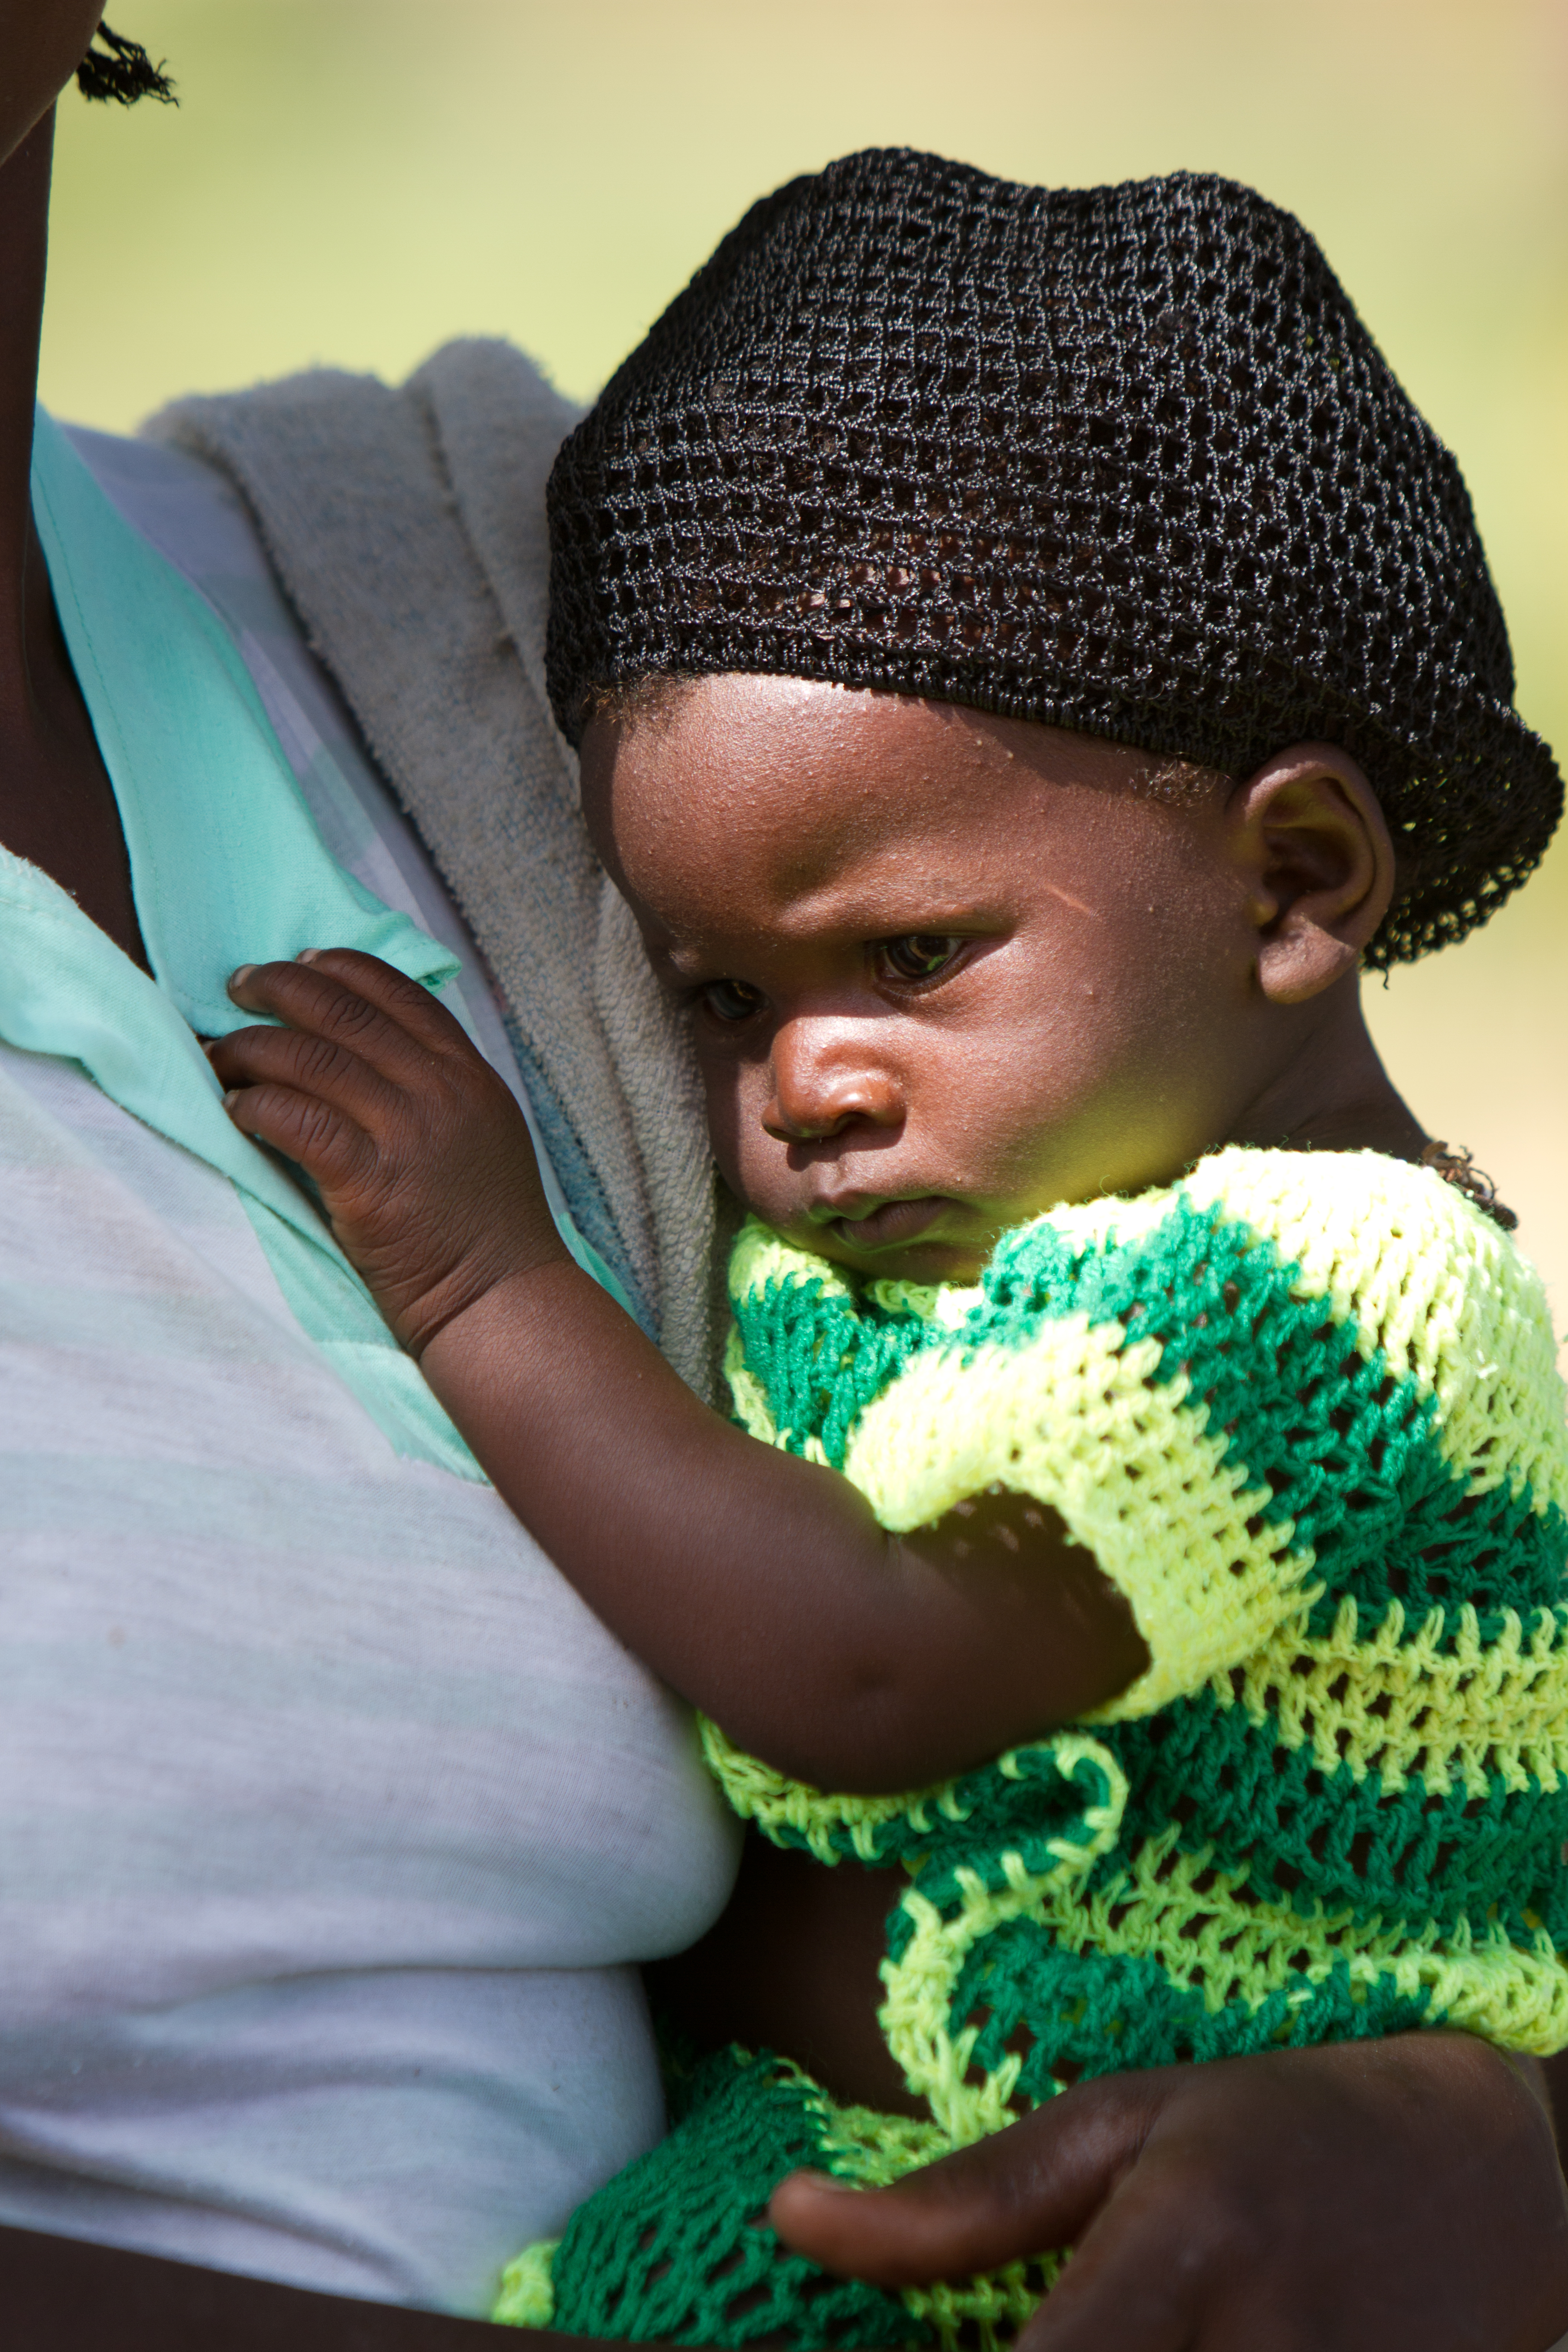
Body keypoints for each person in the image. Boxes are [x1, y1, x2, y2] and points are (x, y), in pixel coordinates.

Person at [2, 16, 1566, 2349]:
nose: (805, 1088)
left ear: (1297, 882)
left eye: (911, 963)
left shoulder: (1324, 1288)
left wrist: (485, 1284)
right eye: (718, 1006)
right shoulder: (962, 1190)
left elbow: (868, 1662)